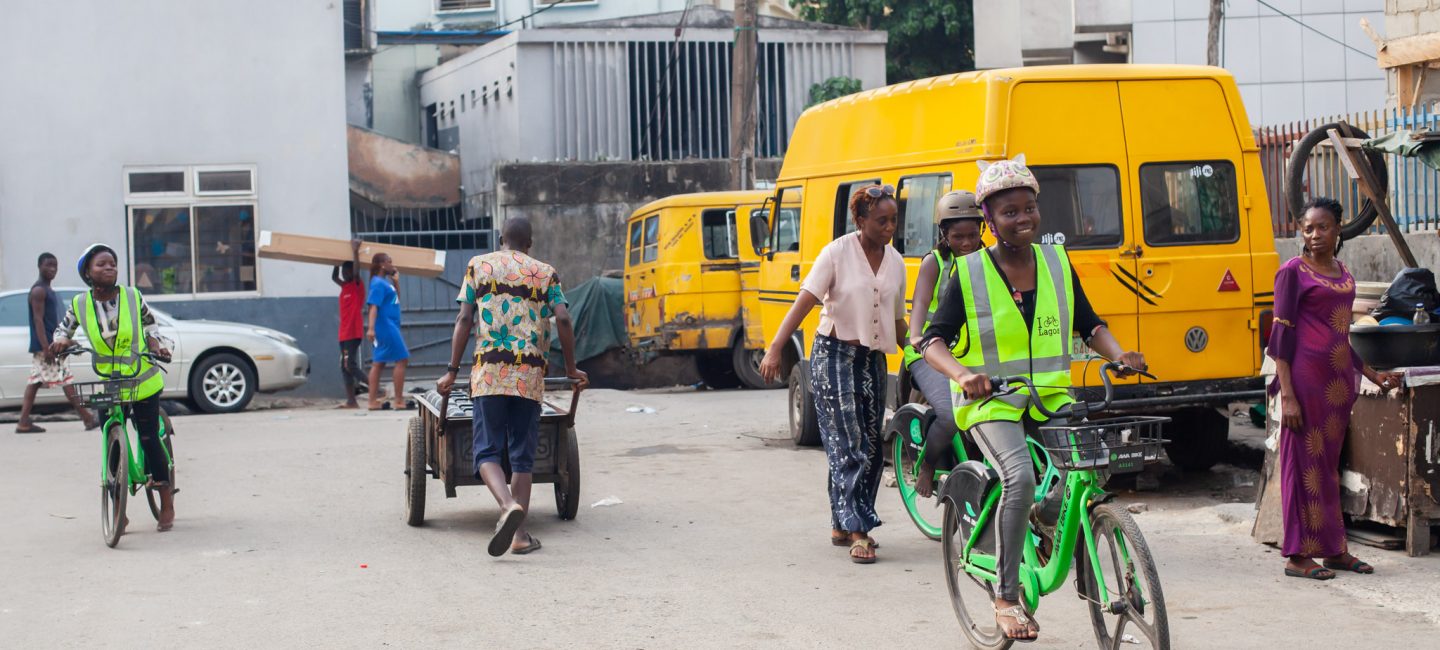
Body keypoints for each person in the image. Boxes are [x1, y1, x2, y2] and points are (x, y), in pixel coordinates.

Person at [918, 155, 1145, 642]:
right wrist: (963, 374)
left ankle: (1046, 516)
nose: (1022, 220)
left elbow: (1090, 323)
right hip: (991, 403)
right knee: (1019, 475)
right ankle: (1005, 596)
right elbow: (931, 339)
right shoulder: (968, 272)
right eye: (1009, 213)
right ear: (988, 221)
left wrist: (1119, 353)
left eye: (1029, 209)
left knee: (1092, 462)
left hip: (1048, 397)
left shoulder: (1057, 263)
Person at [758, 184, 907, 564]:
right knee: (848, 441)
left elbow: (897, 320)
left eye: (893, 219)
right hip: (833, 355)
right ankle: (859, 529)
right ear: (860, 219)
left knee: (871, 444)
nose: (890, 227)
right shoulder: (837, 253)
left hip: (872, 359)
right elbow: (805, 302)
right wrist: (776, 347)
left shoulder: (896, 262)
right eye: (881, 220)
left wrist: (923, 354)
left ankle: (841, 520)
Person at [437, 218, 588, 557]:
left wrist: (450, 371)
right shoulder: (545, 272)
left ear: (500, 238)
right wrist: (571, 367)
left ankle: (506, 505)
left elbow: (464, 319)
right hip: (529, 375)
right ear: (529, 244)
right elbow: (563, 319)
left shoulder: (479, 266)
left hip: (489, 372)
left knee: (487, 451)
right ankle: (519, 535)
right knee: (522, 456)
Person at [1270, 197, 1401, 581]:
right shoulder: (1293, 272)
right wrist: (1288, 395)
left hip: (1338, 389)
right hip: (1305, 386)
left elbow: (1340, 337)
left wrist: (1374, 375)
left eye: (1322, 226)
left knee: (1326, 470)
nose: (1314, 235)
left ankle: (1334, 550)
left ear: (1338, 229)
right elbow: (1280, 338)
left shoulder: (1342, 271)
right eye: (1307, 228)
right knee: (1300, 468)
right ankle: (1296, 554)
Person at [50, 244, 175, 531]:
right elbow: (63, 329)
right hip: (110, 382)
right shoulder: (80, 304)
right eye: (101, 264)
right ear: (88, 273)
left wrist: (155, 344)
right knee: (110, 438)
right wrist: (60, 341)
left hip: (143, 380)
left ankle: (166, 501)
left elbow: (150, 325)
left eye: (113, 264)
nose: (109, 268)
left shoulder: (132, 296)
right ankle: (120, 507)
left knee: (147, 437)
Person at [903, 190, 985, 497]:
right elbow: (919, 309)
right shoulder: (934, 262)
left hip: (970, 351)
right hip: (928, 352)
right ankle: (928, 462)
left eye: (972, 236)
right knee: (952, 415)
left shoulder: (988, 261)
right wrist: (916, 337)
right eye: (958, 237)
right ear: (944, 235)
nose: (966, 244)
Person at [16, 253, 98, 433]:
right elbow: (38, 321)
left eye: (55, 266)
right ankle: (88, 418)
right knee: (65, 379)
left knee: (36, 381)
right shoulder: (39, 290)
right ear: (39, 266)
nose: (52, 269)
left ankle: (23, 421)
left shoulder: (47, 289)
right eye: (48, 265)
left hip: (50, 345)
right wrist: (47, 348)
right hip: (47, 347)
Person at [366, 252, 409, 410]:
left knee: (379, 363)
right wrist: (371, 328)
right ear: (382, 265)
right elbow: (373, 306)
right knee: (402, 359)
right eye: (389, 262)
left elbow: (395, 300)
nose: (392, 264)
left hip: (390, 324)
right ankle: (398, 400)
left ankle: (372, 401)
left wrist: (396, 283)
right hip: (385, 325)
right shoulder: (377, 283)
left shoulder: (385, 283)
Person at [332, 239, 367, 409]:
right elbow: (333, 277)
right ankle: (351, 401)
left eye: (348, 271)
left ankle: (376, 388)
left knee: (349, 365)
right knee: (344, 367)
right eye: (344, 272)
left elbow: (357, 270)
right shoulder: (344, 286)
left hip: (353, 332)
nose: (345, 275)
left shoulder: (357, 285)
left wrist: (354, 251)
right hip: (343, 333)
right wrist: (336, 261)